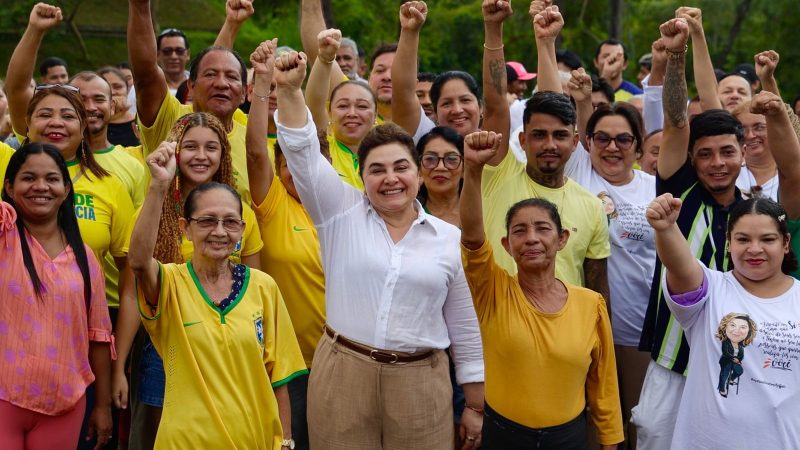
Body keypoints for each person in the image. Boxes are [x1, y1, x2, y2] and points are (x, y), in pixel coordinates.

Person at [274, 49, 484, 450]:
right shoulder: (338, 210)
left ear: (419, 174)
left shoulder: (445, 237)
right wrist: (289, 89)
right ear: (360, 175)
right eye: (377, 169)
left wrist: (474, 402)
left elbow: (463, 323)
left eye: (401, 167)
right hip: (343, 373)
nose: (390, 179)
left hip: (421, 380)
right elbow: (301, 151)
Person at [129, 142, 305, 449]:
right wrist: (158, 186)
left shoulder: (264, 287)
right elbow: (139, 261)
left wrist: (286, 441)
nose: (220, 231)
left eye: (230, 222)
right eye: (207, 221)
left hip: (255, 441)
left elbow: (278, 379)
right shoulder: (170, 283)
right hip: (185, 442)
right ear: (185, 228)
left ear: (241, 230)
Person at [459, 129, 622, 449]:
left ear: (562, 239)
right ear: (506, 244)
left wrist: (611, 441)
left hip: (568, 438)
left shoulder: (590, 305)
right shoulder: (493, 292)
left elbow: (604, 384)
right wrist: (473, 170)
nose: (532, 238)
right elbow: (473, 238)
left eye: (542, 228)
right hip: (503, 436)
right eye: (520, 230)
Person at [634, 18, 746, 449]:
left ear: (743, 155)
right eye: (706, 154)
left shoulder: (754, 213)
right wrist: (677, 55)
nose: (717, 162)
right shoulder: (680, 191)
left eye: (727, 152)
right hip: (672, 356)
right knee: (656, 437)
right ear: (691, 160)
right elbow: (679, 121)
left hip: (733, 356)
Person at [646, 194, 800, 449]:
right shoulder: (711, 289)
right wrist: (666, 228)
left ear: (785, 243)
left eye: (767, 239)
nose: (754, 249)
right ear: (729, 243)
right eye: (742, 239)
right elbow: (679, 265)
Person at [480, 5, 610, 301]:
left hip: (566, 343)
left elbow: (598, 293)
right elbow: (496, 102)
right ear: (523, 139)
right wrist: (493, 27)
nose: (550, 144)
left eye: (560, 136)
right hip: (498, 334)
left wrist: (602, 346)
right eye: (539, 135)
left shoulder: (591, 207)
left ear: (575, 142)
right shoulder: (499, 174)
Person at [0, 143, 113, 450]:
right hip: (4, 398)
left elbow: (99, 336)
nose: (40, 187)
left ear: (66, 190)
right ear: (9, 187)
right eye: (28, 178)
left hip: (65, 401)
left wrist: (102, 406)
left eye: (51, 179)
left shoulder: (85, 257)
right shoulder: (3, 235)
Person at [246, 39, 326, 450]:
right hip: (288, 366)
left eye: (306, 161)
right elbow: (256, 153)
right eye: (287, 164)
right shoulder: (275, 204)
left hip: (343, 362)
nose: (297, 171)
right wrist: (264, 83)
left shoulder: (343, 207)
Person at [128, 0, 253, 205]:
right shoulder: (170, 119)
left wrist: (232, 24)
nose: (221, 83)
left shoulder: (251, 138)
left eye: (231, 77)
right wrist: (140, 6)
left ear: (243, 94)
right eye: (210, 75)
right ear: (191, 86)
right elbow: (145, 75)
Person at [305, 28, 375, 190]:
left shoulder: (387, 150)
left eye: (362, 106)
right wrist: (324, 59)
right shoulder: (324, 148)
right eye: (343, 106)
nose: (352, 113)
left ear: (375, 115)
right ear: (329, 112)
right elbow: (315, 101)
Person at [417, 126, 464, 226]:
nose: (440, 167)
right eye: (430, 159)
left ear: (464, 169)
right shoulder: (409, 213)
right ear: (418, 168)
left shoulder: (482, 211)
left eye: (451, 159)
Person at [97, 66, 140, 147]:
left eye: (117, 87)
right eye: (106, 87)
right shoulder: (92, 125)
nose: (112, 92)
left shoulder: (140, 122)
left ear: (127, 90)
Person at [155, 28, 190, 94]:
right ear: (158, 55)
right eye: (167, 51)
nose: (174, 56)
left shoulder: (198, 84)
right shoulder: (147, 87)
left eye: (179, 51)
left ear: (188, 54)